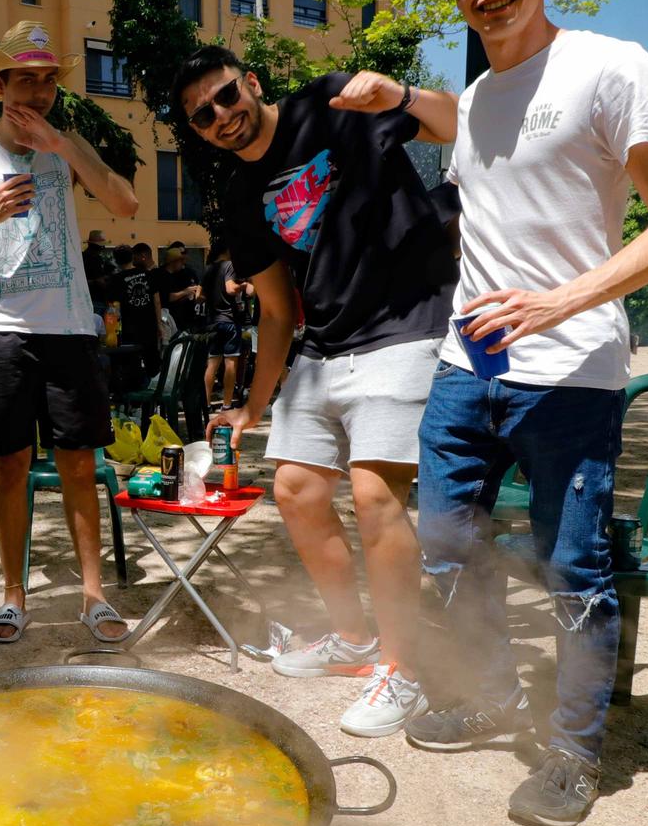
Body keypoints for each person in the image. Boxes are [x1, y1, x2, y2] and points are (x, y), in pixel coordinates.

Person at [404, 0, 648, 826]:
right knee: (447, 549)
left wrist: (561, 300)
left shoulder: (610, 68)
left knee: (572, 568)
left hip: (571, 371)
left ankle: (573, 753)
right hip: (468, 370)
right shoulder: (475, 98)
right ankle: (492, 688)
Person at [179, 46, 455, 735]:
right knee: (296, 489)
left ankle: (404, 669)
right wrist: (254, 403)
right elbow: (275, 310)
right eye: (202, 115)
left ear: (251, 83)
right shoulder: (240, 199)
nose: (220, 116)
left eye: (224, 96)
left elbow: (453, 125)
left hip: (406, 321)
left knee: (372, 495)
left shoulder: (333, 104)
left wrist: (402, 93)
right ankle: (354, 638)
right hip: (325, 343)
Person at [0, 20, 138, 648]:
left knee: (80, 466)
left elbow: (126, 203)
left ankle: (92, 595)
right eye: (24, 78)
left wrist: (64, 146)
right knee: (10, 467)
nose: (37, 91)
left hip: (70, 325)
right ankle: (12, 597)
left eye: (48, 80)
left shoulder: (67, 144)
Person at [202, 242, 248, 407]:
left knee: (212, 363)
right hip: (229, 320)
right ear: (227, 250)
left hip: (213, 321)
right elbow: (230, 289)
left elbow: (199, 295)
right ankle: (227, 404)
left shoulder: (208, 269)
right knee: (230, 364)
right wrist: (242, 285)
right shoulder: (229, 265)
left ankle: (206, 404)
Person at [114, 241, 162, 380]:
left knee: (131, 366)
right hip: (149, 326)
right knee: (153, 364)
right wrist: (159, 325)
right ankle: (155, 396)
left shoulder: (116, 279)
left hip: (129, 330)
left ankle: (136, 398)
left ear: (117, 261)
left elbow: (114, 307)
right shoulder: (148, 274)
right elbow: (157, 301)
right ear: (132, 257)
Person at [152, 241, 204, 337]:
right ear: (174, 261)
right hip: (167, 320)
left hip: (181, 319)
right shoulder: (162, 275)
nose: (183, 263)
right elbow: (168, 297)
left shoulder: (177, 274)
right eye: (180, 260)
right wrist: (186, 291)